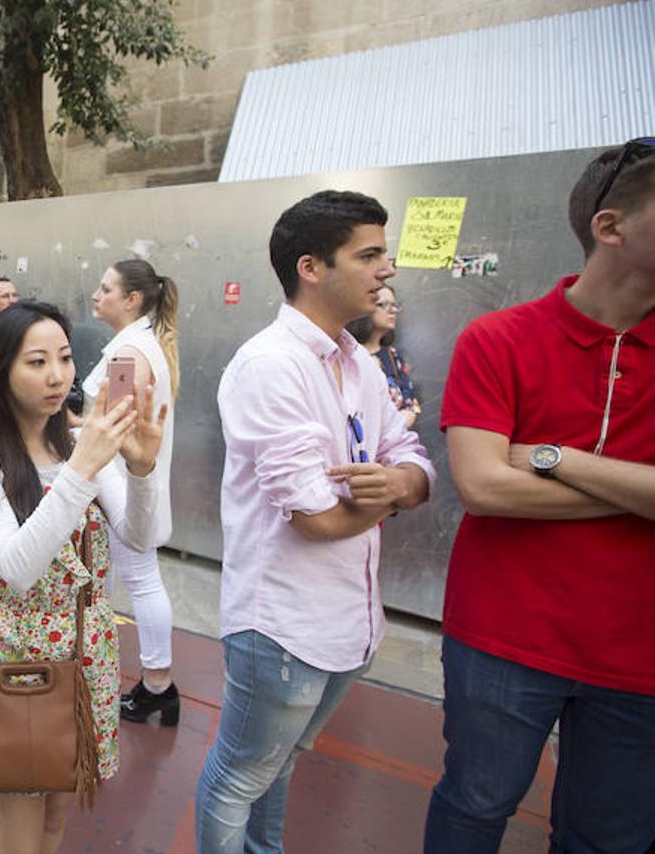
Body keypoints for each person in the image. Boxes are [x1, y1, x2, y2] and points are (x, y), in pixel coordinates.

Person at [424, 140, 655, 852]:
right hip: (503, 634)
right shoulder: (499, 339)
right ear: (611, 227)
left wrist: (558, 460)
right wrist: (637, 489)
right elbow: (485, 485)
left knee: (608, 836)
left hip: (639, 652)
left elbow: (510, 476)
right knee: (474, 805)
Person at [197, 190, 434, 853]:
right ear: (311, 267)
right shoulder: (271, 365)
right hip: (283, 627)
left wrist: (400, 480)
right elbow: (318, 518)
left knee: (279, 763)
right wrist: (396, 493)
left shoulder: (356, 361)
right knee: (239, 776)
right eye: (369, 254)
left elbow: (415, 460)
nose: (386, 269)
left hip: (350, 622)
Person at [0, 301, 166, 854]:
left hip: (88, 657)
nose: (57, 375)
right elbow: (17, 569)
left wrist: (140, 469)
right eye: (36, 361)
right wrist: (83, 468)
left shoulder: (78, 444)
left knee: (52, 827)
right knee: (14, 842)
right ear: (0, 371)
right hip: (20, 664)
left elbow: (144, 537)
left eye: (65, 358)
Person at [83, 259, 180, 725]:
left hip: (119, 480)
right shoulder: (138, 344)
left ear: (132, 299)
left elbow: (116, 423)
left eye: (106, 288)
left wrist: (69, 426)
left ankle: (158, 684)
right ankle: (156, 683)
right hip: (123, 478)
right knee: (139, 577)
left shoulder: (128, 354)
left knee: (141, 578)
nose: (96, 295)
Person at [345, 285, 420, 428]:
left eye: (394, 305)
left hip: (394, 440)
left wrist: (395, 427)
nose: (392, 311)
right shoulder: (348, 354)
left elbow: (410, 404)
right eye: (384, 305)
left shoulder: (392, 355)